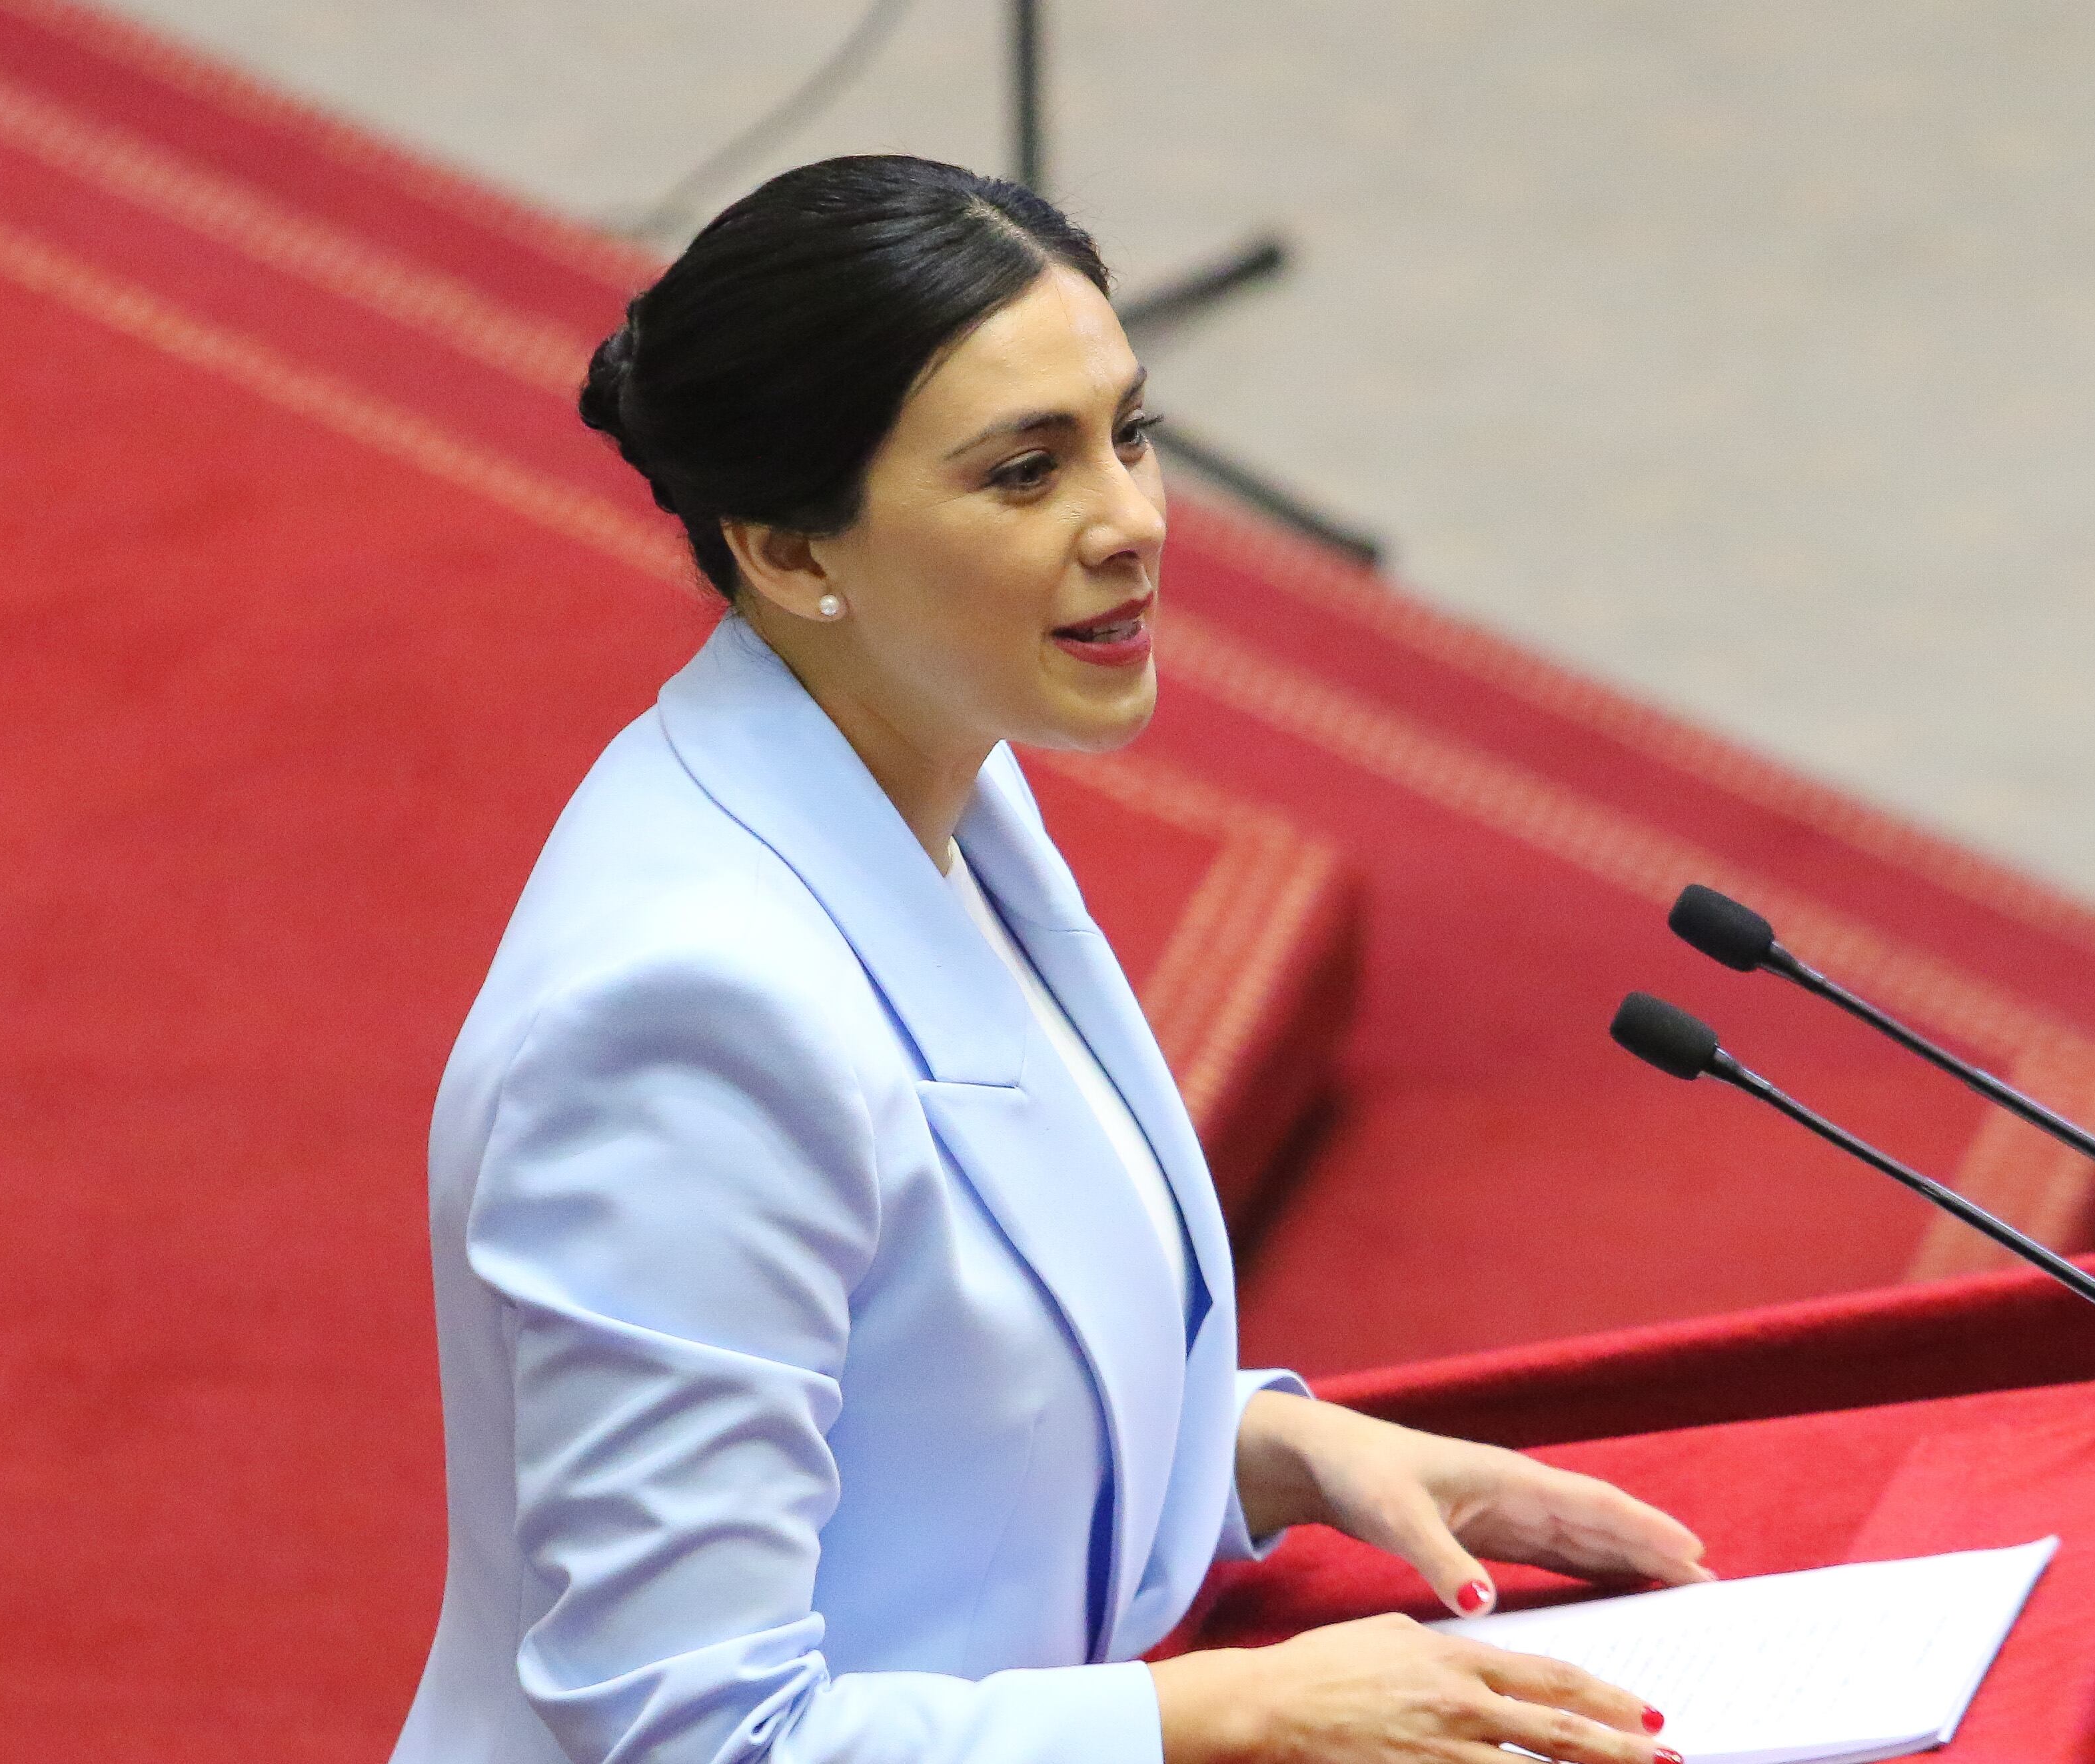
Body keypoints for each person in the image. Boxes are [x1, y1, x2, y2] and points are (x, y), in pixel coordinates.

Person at [389, 154, 1709, 1764]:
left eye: (1127, 435)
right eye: (1025, 473)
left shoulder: (940, 768)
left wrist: (1262, 1446)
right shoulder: (685, 1017)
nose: (1133, 522)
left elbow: (936, 1372)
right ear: (790, 549)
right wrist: (1219, 1708)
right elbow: (694, 1733)